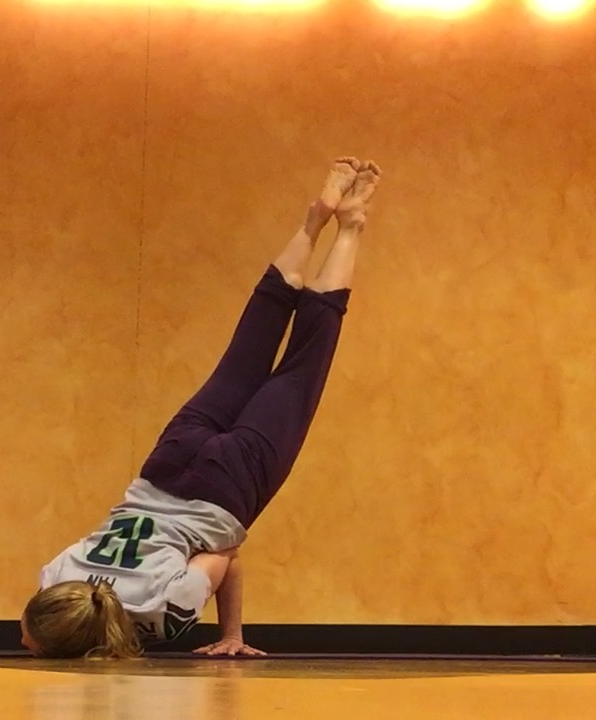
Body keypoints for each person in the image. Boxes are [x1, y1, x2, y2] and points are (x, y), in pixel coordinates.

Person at [20, 157, 382, 658]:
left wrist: (231, 636)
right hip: (163, 467)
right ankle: (312, 222)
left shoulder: (161, 612)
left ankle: (351, 226)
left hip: (225, 487)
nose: (19, 637)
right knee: (247, 351)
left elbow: (224, 553)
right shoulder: (56, 580)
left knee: (301, 368)